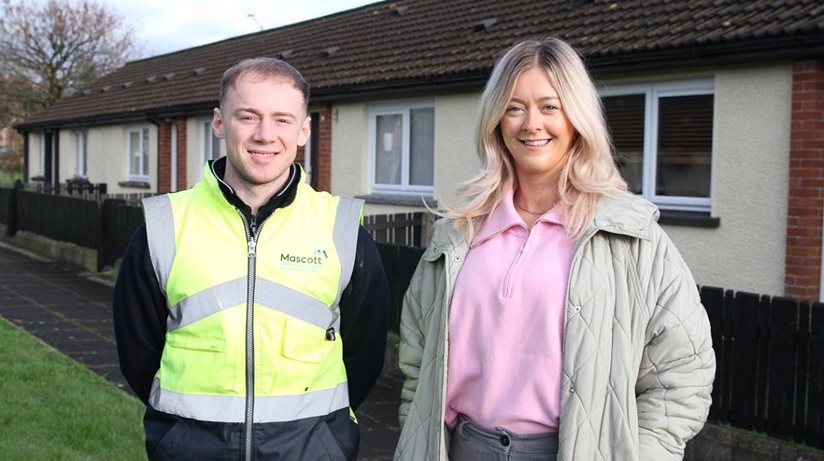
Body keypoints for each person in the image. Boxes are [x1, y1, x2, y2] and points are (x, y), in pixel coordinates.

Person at [394, 37, 715, 461]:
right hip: (464, 447)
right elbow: (417, 350)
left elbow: (682, 373)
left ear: (576, 116)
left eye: (550, 106)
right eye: (514, 107)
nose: (531, 124)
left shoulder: (629, 234)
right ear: (495, 119)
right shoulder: (458, 230)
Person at [113, 57, 390, 461]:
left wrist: (325, 437)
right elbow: (138, 353)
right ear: (220, 123)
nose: (265, 135)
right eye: (248, 116)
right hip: (190, 451)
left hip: (311, 451)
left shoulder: (341, 230)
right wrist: (178, 434)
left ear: (304, 130)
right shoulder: (163, 227)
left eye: (282, 119)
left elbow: (365, 354)